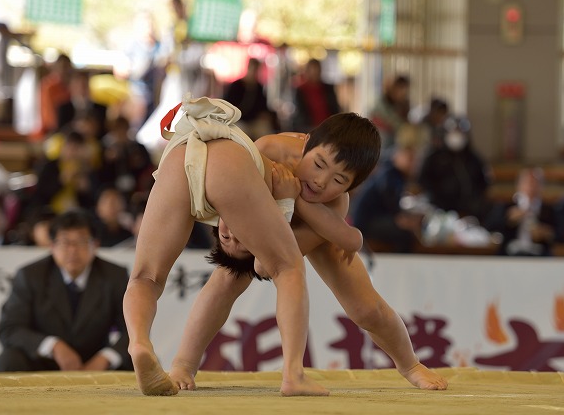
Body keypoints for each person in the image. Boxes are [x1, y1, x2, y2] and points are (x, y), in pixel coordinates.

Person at [167, 115, 448, 392]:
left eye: (339, 180)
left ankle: (411, 365)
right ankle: (183, 364)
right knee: (227, 278)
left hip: (314, 227)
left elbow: (268, 265)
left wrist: (293, 200)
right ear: (307, 142)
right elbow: (230, 191)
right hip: (264, 213)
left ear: (351, 187)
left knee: (366, 308)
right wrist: (229, 219)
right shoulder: (268, 151)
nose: (321, 181)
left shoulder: (335, 206)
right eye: (319, 164)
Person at [123, 95, 329, 397]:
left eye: (228, 239)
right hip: (220, 154)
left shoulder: (238, 201)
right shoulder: (290, 174)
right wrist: (286, 204)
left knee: (145, 277)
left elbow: (252, 263)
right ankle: (294, 374)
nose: (232, 232)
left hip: (180, 153)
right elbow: (270, 261)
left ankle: (140, 343)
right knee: (288, 266)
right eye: (238, 238)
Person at [0, 209, 132, 372]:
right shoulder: (30, 276)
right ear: (52, 246)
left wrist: (106, 358)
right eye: (65, 242)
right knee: (8, 360)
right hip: (43, 361)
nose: (72, 250)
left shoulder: (115, 276)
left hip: (95, 363)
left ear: (96, 245)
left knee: (137, 361)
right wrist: (53, 346)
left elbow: (132, 330)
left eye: (81, 242)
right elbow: (10, 328)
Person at [418, 116, 493, 226]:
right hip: (441, 211)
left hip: (471, 212)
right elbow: (423, 181)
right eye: (453, 132)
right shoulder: (435, 158)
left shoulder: (473, 158)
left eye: (460, 132)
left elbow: (484, 182)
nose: (457, 136)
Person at [350, 142, 422, 253]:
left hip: (372, 219)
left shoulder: (393, 174)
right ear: (398, 156)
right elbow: (392, 204)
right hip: (366, 222)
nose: (413, 165)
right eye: (409, 159)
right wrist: (404, 219)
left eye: (414, 161)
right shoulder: (389, 174)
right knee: (405, 235)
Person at [487, 167, 557, 256]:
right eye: (528, 183)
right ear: (519, 185)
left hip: (539, 255)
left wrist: (546, 233)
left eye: (535, 183)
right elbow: (489, 227)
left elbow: (560, 234)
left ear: (541, 186)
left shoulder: (549, 209)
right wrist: (508, 220)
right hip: (510, 255)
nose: (531, 187)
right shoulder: (506, 206)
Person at [223, 57, 274, 140]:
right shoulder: (236, 85)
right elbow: (227, 103)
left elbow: (263, 106)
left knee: (264, 132)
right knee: (241, 133)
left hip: (253, 121)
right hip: (238, 120)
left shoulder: (258, 87)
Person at [290, 58, 341, 133]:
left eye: (317, 70)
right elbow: (300, 113)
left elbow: (335, 108)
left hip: (328, 128)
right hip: (307, 129)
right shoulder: (301, 90)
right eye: (312, 70)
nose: (315, 73)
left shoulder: (328, 88)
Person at [370, 75, 410, 153]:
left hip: (392, 142)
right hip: (380, 140)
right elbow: (395, 122)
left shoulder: (401, 104)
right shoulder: (382, 102)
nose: (403, 94)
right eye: (401, 89)